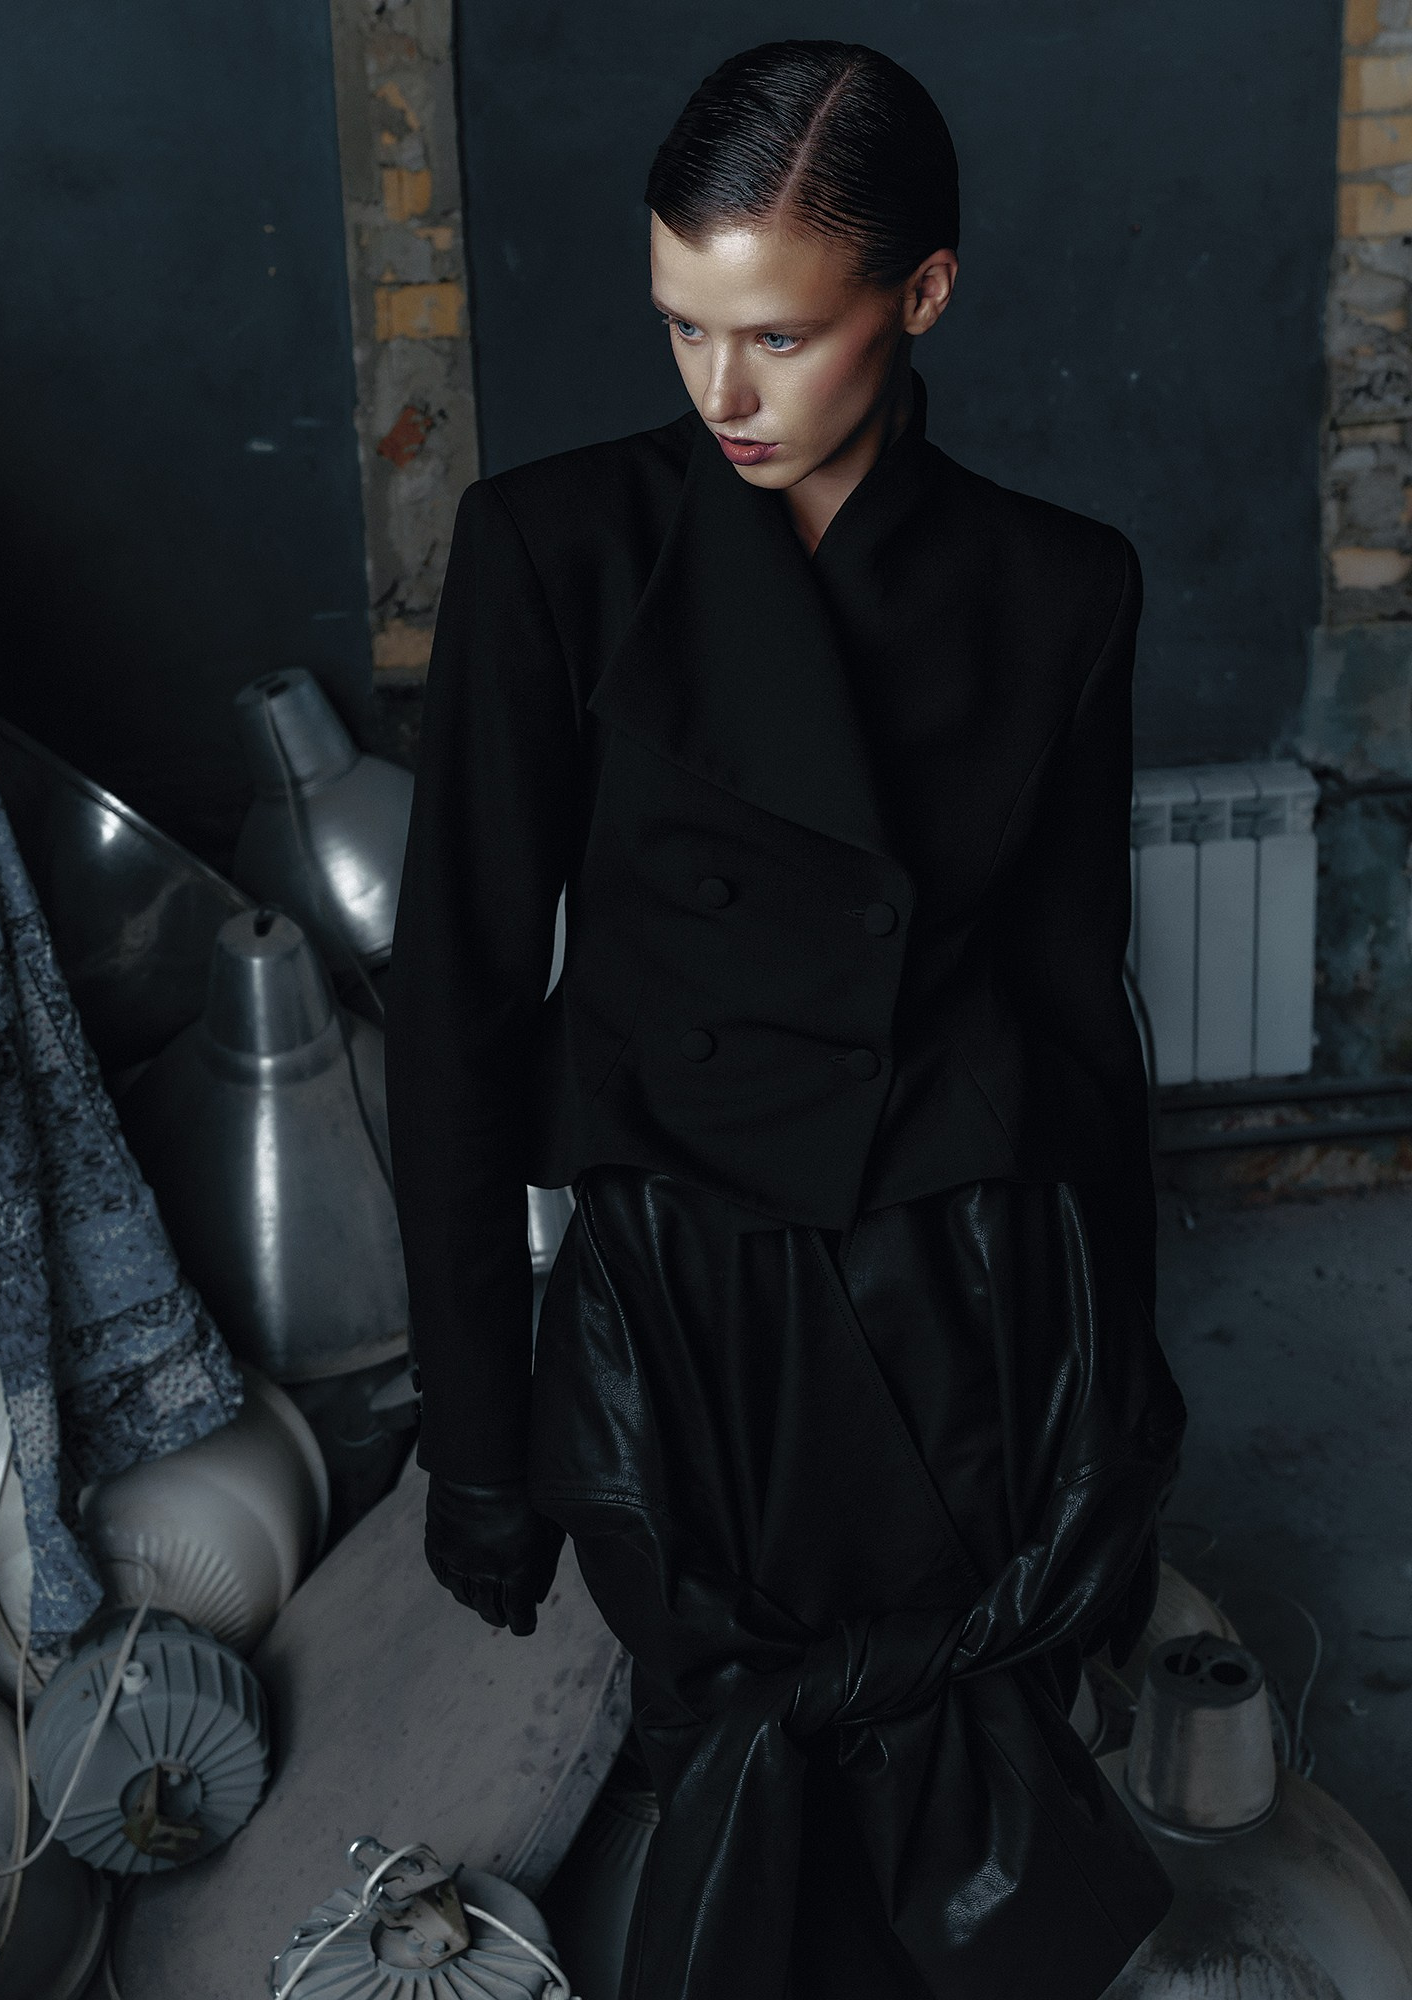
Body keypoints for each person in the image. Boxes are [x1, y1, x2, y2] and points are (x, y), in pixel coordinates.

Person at [384, 39, 1188, 2000]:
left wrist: (1120, 1420)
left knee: (954, 1816)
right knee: (735, 1803)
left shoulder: (1059, 589)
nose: (720, 394)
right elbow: (457, 1004)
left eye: (778, 336)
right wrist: (476, 1434)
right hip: (689, 1314)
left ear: (922, 294)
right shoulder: (554, 553)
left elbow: (1079, 1024)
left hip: (962, 1293)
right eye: (681, 327)